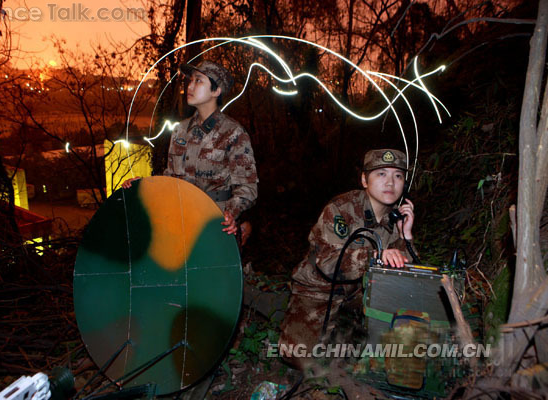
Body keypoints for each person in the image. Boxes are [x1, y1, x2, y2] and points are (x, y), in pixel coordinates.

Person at [278, 148, 416, 370]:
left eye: (398, 175)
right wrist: (377, 256)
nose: (390, 182)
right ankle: (287, 308)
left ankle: (348, 328)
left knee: (360, 355)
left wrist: (405, 236)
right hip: (320, 289)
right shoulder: (342, 209)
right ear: (364, 179)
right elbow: (328, 263)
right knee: (299, 357)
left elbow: (406, 276)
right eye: (381, 174)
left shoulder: (395, 218)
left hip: (358, 292)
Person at [123, 60, 258, 235]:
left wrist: (230, 213)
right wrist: (143, 185)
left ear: (216, 91)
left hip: (216, 225)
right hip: (182, 223)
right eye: (191, 80)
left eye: (199, 81)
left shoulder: (233, 133)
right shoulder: (180, 130)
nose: (190, 86)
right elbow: (171, 179)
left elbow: (248, 188)